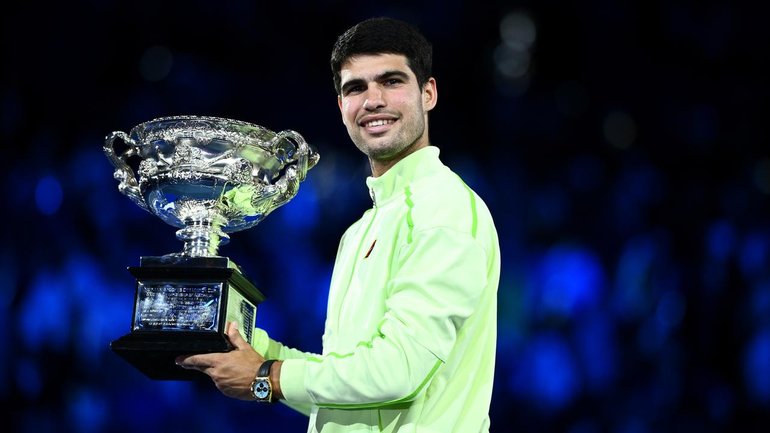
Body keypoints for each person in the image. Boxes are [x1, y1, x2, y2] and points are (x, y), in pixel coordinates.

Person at [176, 16, 501, 433]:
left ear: (428, 94)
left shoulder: (445, 208)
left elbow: (398, 371)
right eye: (356, 88)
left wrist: (267, 378)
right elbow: (346, 390)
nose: (373, 100)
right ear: (341, 107)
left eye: (392, 81)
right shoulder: (360, 230)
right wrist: (250, 345)